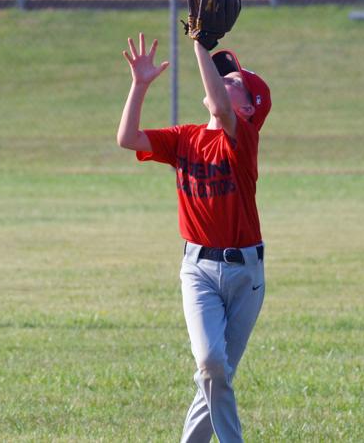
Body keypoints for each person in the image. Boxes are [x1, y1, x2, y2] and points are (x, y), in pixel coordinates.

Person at [117, 33, 271, 442]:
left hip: (246, 277)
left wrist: (200, 43)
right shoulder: (186, 138)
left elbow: (220, 106)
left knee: (215, 375)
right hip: (199, 270)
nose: (222, 85)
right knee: (209, 362)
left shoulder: (242, 141)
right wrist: (140, 85)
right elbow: (128, 138)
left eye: (233, 82)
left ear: (249, 109)